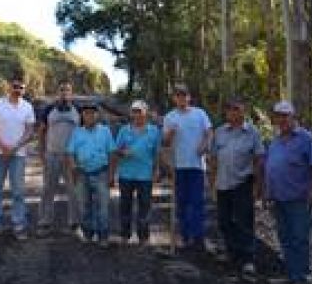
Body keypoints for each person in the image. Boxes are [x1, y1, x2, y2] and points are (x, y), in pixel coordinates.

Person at [264, 101, 312, 284]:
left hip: (298, 199)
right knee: (285, 237)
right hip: (279, 198)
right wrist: (267, 192)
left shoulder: (306, 139)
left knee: (299, 239)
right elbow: (271, 168)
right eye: (278, 116)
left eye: (285, 116)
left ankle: (300, 281)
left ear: (293, 116)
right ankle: (290, 275)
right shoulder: (275, 141)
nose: (281, 120)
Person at [209, 97, 264, 280]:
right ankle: (231, 251)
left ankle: (248, 258)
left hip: (243, 183)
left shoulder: (253, 133)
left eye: (237, 109)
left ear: (243, 111)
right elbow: (214, 159)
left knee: (244, 221)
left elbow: (258, 160)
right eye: (230, 109)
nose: (233, 112)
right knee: (224, 221)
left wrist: (257, 185)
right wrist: (212, 183)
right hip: (222, 183)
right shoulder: (219, 132)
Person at [0, 76, 36, 240]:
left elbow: (29, 131)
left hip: (18, 155)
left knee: (18, 192)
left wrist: (15, 147)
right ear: (9, 87)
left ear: (24, 90)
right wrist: (2, 146)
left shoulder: (28, 107)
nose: (18, 90)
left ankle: (19, 225)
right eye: (15, 86)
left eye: (21, 87)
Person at [163, 84, 212, 251]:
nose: (181, 98)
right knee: (182, 202)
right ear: (174, 98)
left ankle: (198, 237)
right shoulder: (170, 117)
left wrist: (204, 145)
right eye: (178, 95)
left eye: (184, 95)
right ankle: (185, 236)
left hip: (197, 166)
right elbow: (166, 143)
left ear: (189, 97)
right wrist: (170, 134)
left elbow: (209, 132)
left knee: (197, 202)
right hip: (179, 165)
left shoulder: (200, 113)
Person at [66, 101, 116, 248]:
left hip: (101, 172)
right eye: (86, 113)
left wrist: (112, 175)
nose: (89, 115)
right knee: (84, 206)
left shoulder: (105, 131)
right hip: (82, 174)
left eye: (92, 112)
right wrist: (73, 166)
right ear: (82, 115)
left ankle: (103, 236)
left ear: (97, 115)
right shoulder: (77, 132)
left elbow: (112, 153)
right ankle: (88, 234)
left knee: (103, 207)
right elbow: (70, 153)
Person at [37, 81, 81, 237]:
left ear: (71, 92)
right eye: (62, 90)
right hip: (52, 155)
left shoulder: (78, 110)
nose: (64, 93)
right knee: (48, 189)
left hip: (71, 157)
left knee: (74, 191)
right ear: (58, 92)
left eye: (67, 90)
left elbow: (83, 133)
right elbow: (41, 132)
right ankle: (44, 222)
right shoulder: (49, 109)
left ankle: (74, 224)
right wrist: (41, 152)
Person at [115, 100, 161, 246]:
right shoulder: (124, 130)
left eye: (139, 111)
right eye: (134, 111)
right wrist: (123, 152)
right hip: (126, 175)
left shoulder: (154, 131)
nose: (137, 114)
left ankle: (143, 237)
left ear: (145, 113)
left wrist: (157, 170)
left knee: (144, 207)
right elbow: (116, 150)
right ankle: (125, 235)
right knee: (125, 206)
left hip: (145, 175)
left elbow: (157, 153)